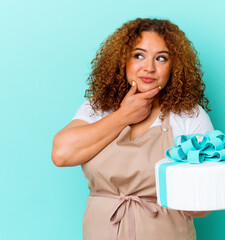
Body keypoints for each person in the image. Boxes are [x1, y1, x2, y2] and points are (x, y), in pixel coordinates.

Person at [52, 18, 214, 240]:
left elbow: (203, 207)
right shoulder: (97, 108)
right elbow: (62, 154)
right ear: (122, 61)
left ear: (174, 67)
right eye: (139, 55)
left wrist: (194, 197)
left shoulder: (188, 115)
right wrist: (123, 116)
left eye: (161, 58)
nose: (149, 67)